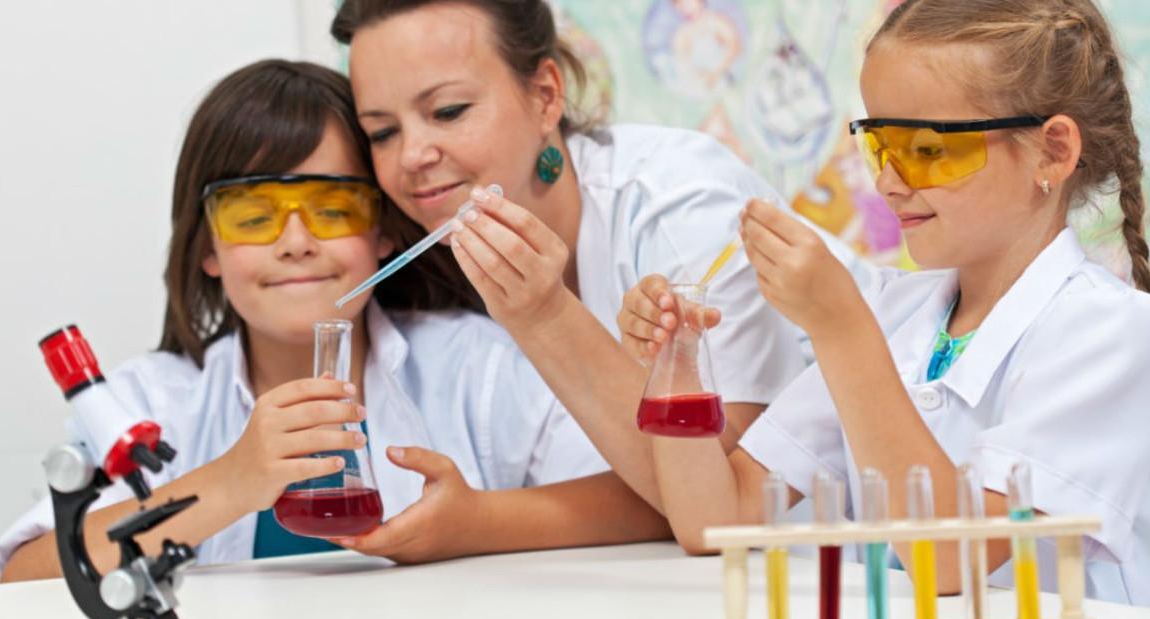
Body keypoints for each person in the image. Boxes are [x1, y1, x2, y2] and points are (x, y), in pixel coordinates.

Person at [0, 59, 668, 582]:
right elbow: (22, 571)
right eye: (253, 214)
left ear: (382, 231)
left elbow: (648, 502)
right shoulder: (152, 400)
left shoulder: (479, 367)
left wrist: (478, 523)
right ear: (207, 248)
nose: (295, 241)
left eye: (332, 207)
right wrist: (229, 482)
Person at [619, 0, 1150, 609]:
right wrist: (676, 364)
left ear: (1052, 152)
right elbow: (716, 518)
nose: (889, 181)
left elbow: (951, 559)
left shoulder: (1111, 329)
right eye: (882, 144)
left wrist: (841, 329)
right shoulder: (894, 312)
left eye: (930, 150)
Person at [331, 0, 873, 518]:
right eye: (382, 132)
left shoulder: (678, 203)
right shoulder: (437, 253)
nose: (411, 157)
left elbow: (716, 496)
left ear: (545, 96)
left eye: (448, 111)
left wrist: (477, 521)